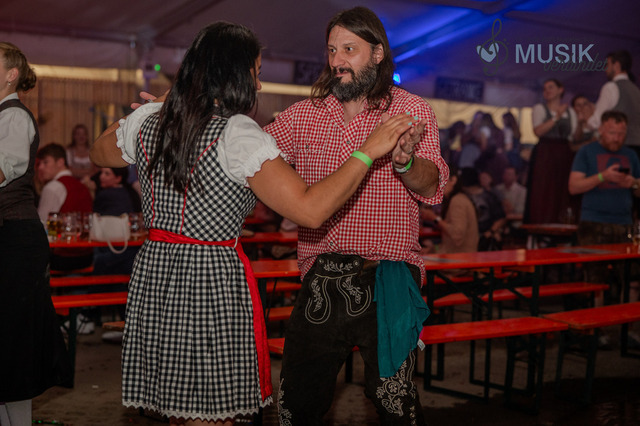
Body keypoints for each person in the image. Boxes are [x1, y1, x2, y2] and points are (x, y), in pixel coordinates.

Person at [90, 22, 415, 425]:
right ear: (234, 73)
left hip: (156, 273)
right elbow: (310, 210)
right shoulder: (237, 132)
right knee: (211, 414)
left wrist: (159, 104)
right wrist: (366, 152)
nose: (258, 85)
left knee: (177, 404)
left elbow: (100, 152)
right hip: (209, 280)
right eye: (255, 73)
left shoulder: (151, 121)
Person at [263, 7, 447, 424]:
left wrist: (406, 162)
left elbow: (431, 184)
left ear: (378, 53)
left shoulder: (409, 110)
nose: (337, 60)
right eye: (332, 50)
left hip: (388, 274)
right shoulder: (303, 115)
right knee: (297, 403)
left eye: (349, 49)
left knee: (395, 405)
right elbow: (249, 156)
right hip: (321, 275)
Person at [0, 41, 72, 425]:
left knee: (12, 345)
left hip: (14, 239)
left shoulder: (13, 116)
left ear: (11, 74)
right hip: (10, 237)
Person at [569, 110, 640, 347]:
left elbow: (639, 189)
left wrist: (633, 183)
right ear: (600, 130)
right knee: (595, 281)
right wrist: (602, 176)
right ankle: (594, 331)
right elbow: (573, 187)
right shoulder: (586, 152)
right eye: (612, 132)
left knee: (631, 280)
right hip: (593, 222)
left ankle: (628, 330)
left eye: (621, 133)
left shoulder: (631, 155)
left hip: (624, 223)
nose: (616, 138)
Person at [525, 78, 581, 225]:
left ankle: (563, 222)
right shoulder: (540, 108)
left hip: (564, 153)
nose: (547, 91)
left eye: (551, 87)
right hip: (545, 153)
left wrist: (581, 122)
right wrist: (556, 117)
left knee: (562, 189)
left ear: (560, 90)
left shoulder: (570, 111)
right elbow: (538, 131)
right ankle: (540, 223)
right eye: (545, 89)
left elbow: (574, 136)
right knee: (543, 188)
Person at [36, 142, 94, 271]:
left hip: (62, 256)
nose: (40, 167)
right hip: (87, 255)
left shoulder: (53, 187)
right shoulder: (83, 187)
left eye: (45, 162)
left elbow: (42, 226)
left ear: (60, 162)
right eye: (39, 163)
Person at [586, 50, 640, 151]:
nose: (605, 69)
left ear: (616, 65)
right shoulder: (636, 90)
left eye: (607, 65)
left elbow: (597, 121)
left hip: (619, 146)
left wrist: (586, 119)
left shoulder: (610, 87)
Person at [422, 168, 479, 254]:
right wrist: (431, 250)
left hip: (460, 258)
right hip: (455, 254)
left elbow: (457, 234)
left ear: (453, 180)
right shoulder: (456, 199)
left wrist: (435, 218)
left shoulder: (457, 201)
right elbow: (448, 242)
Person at [458, 167, 506, 251]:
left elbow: (501, 218)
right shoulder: (461, 198)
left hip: (485, 238)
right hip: (466, 239)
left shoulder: (489, 197)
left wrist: (490, 232)